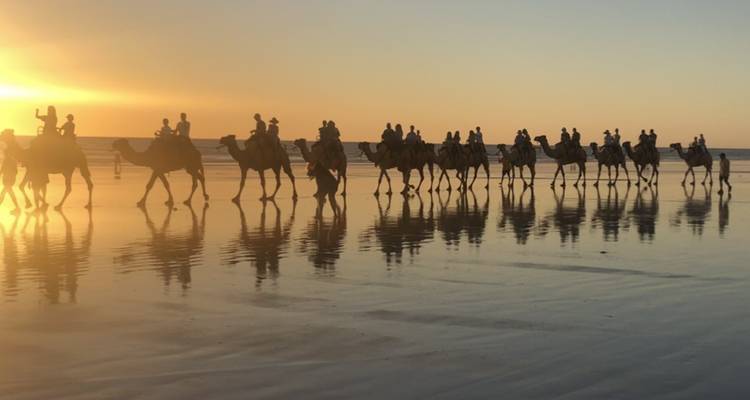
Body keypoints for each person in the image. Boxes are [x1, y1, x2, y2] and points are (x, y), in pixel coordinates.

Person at [0, 149, 20, 213]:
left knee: (4, 193)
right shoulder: (13, 160)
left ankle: (17, 208)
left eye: (5, 153)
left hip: (7, 180)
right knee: (8, 193)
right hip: (11, 180)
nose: (4, 155)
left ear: (7, 153)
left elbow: (2, 170)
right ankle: (17, 208)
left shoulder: (6, 160)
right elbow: (16, 172)